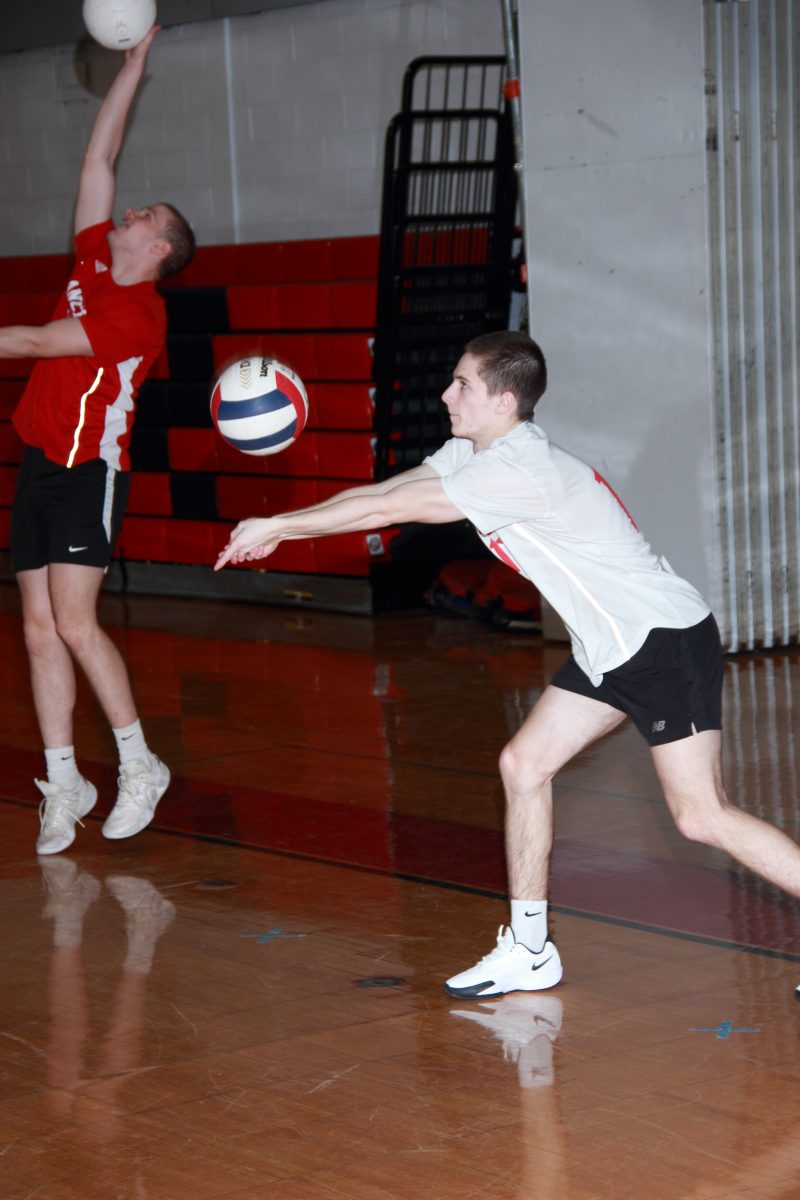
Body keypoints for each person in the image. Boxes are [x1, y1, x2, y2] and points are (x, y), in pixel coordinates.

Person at [215, 329, 800, 999]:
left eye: (462, 384)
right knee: (523, 765)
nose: (445, 393)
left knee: (702, 817)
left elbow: (383, 511)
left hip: (660, 642)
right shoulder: (474, 449)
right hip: (609, 646)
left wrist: (276, 526)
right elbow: (392, 488)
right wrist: (283, 521)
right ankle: (528, 948)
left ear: (504, 400)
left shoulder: (515, 472)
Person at [5, 27, 195, 856]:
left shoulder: (134, 314)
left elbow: (36, 344)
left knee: (77, 625)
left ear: (157, 251)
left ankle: (139, 762)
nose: (128, 209)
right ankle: (65, 780)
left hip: (92, 472)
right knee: (39, 630)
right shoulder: (90, 265)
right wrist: (134, 69)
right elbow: (99, 158)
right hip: (40, 463)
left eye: (145, 216)